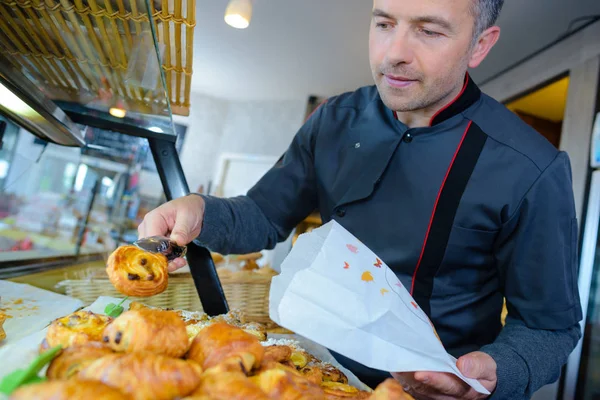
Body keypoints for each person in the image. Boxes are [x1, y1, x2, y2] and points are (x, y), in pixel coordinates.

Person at [138, 0, 583, 398]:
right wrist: (199, 210)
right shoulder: (335, 119)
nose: (394, 53)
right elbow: (263, 215)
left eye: (429, 31)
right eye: (384, 23)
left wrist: (498, 371)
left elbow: (549, 326)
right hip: (313, 372)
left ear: (480, 44)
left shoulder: (531, 167)